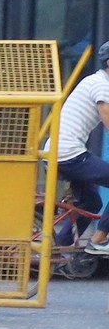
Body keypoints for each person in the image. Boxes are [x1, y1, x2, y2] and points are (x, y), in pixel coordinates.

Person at [57, 64, 109, 252]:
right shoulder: (101, 85)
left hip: (61, 153)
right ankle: (98, 240)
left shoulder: (94, 82)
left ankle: (59, 247)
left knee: (92, 202)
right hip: (69, 154)